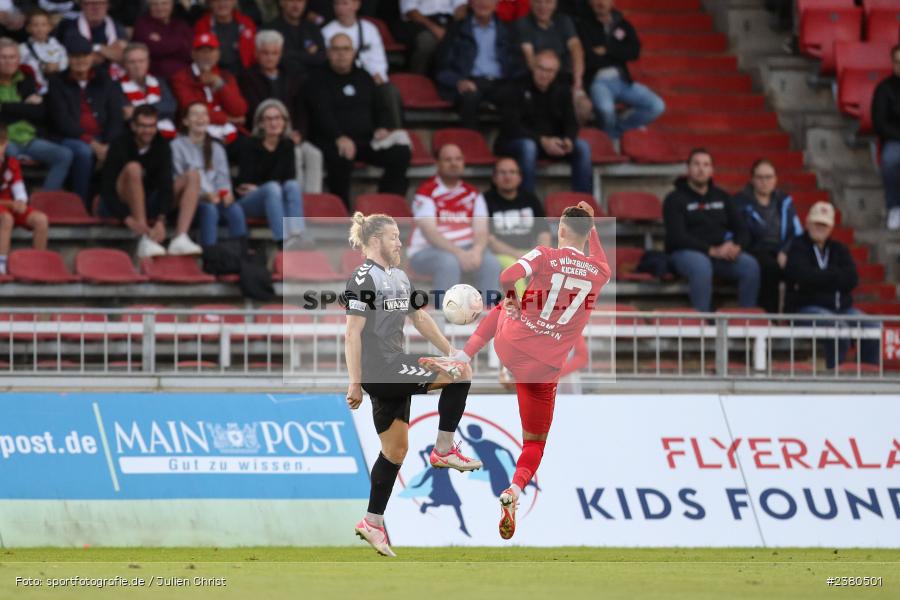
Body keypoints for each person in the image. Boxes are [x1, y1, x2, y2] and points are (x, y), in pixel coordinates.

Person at [453, 201, 610, 539]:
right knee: (534, 443)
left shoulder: (545, 254)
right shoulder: (601, 271)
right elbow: (598, 256)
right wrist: (592, 225)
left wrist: (511, 298)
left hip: (513, 345)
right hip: (546, 368)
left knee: (503, 306)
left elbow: (507, 275)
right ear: (588, 233)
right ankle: (514, 489)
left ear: (561, 230)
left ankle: (462, 357)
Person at [344, 211, 482, 558]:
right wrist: (355, 382)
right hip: (382, 369)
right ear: (376, 241)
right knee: (461, 376)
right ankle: (444, 449)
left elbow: (419, 317)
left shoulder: (400, 277)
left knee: (395, 451)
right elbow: (352, 333)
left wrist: (451, 351)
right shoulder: (363, 278)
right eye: (394, 237)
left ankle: (372, 522)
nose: (399, 242)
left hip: (394, 367)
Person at [307, 33, 411, 207]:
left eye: (346, 49)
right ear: (328, 52)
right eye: (336, 49)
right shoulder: (317, 79)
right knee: (341, 157)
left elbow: (378, 106)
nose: (341, 54)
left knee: (400, 152)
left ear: (354, 52)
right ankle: (341, 209)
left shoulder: (364, 77)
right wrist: (339, 136)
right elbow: (321, 114)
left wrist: (382, 127)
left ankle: (387, 204)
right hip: (332, 140)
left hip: (365, 140)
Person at [663, 148, 760, 312]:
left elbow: (742, 228)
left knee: (750, 265)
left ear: (711, 170)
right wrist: (711, 250)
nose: (701, 169)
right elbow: (677, 236)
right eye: (697, 164)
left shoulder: (722, 196)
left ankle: (746, 321)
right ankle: (703, 325)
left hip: (720, 254)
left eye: (706, 165)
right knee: (701, 265)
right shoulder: (674, 199)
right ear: (688, 168)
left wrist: (737, 246)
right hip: (686, 253)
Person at [784, 201, 879, 369]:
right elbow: (802, 276)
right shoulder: (797, 247)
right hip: (806, 308)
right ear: (807, 223)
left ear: (831, 227)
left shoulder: (839, 249)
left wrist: (820, 278)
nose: (820, 228)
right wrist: (834, 277)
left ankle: (867, 375)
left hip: (841, 309)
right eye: (817, 223)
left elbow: (852, 279)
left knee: (873, 327)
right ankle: (836, 378)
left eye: (824, 225)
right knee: (837, 328)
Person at [100, 105, 203, 258]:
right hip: (121, 202)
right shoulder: (119, 144)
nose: (147, 131)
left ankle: (181, 238)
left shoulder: (162, 145)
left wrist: (161, 219)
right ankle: (144, 238)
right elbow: (106, 188)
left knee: (193, 175)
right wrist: (126, 217)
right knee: (134, 168)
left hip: (150, 200)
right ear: (133, 126)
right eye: (143, 126)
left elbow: (166, 184)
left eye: (152, 126)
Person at [408, 143, 502, 300]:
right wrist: (459, 253)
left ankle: (488, 318)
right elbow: (430, 233)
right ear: (437, 163)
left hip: (466, 250)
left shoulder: (473, 193)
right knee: (449, 262)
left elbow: (481, 231)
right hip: (426, 252)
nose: (454, 163)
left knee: (491, 262)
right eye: (448, 159)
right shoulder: (426, 192)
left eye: (458, 159)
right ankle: (444, 319)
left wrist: (477, 251)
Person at [495, 49, 591, 194]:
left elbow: (571, 122)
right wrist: (542, 141)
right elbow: (511, 126)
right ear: (533, 66)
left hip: (551, 143)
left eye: (550, 71)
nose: (545, 74)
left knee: (582, 147)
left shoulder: (562, 89)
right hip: (517, 142)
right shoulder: (516, 86)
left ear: (556, 72)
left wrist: (568, 140)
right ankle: (527, 201)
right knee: (529, 147)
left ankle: (583, 206)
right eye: (541, 68)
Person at [238, 29, 323, 193]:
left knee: (314, 154)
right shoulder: (247, 77)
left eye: (274, 53)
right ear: (256, 53)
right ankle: (294, 203)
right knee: (294, 153)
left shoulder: (291, 75)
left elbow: (301, 108)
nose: (270, 57)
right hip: (267, 134)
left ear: (281, 53)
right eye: (265, 53)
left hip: (293, 132)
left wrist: (300, 133)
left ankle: (311, 204)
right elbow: (255, 112)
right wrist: (282, 132)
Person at [46, 34, 125, 207]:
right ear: (68, 58)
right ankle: (80, 203)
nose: (80, 61)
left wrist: (107, 145)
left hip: (103, 138)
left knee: (121, 151)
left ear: (92, 57)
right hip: (70, 138)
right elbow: (62, 121)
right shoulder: (57, 82)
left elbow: (115, 116)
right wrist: (93, 144)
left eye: (84, 56)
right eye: (75, 57)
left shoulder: (105, 80)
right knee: (83, 152)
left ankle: (111, 207)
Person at [577, 0, 664, 140]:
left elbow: (634, 52)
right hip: (598, 81)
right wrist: (618, 53)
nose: (600, 2)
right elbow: (590, 58)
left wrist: (607, 50)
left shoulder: (623, 25)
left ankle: (612, 134)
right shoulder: (583, 25)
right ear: (590, 2)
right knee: (606, 110)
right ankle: (608, 138)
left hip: (623, 80)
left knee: (656, 106)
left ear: (612, 2)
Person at [434, 0, 526, 130]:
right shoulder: (456, 29)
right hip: (470, 82)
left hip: (500, 82)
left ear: (497, 4)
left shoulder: (508, 31)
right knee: (469, 98)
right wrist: (459, 81)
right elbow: (442, 68)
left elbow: (518, 66)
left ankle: (508, 145)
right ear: (470, 3)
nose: (483, 3)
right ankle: (471, 145)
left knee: (515, 96)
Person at [235, 99, 312, 246]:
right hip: (252, 201)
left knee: (293, 185)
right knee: (272, 188)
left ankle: (297, 235)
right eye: (268, 119)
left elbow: (288, 179)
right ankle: (282, 240)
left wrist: (266, 187)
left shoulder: (288, 146)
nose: (273, 123)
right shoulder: (249, 145)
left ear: (284, 122)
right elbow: (244, 183)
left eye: (278, 118)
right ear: (260, 123)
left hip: (276, 198)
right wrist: (266, 188)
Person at [171, 101, 248, 248]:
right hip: (188, 204)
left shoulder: (217, 147)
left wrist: (226, 193)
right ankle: (209, 256)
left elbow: (223, 179)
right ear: (185, 121)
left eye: (204, 114)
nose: (200, 118)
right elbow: (177, 181)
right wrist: (204, 196)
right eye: (195, 114)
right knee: (209, 209)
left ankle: (242, 254)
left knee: (235, 209)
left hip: (215, 199)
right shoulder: (176, 146)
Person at [0, 37, 72, 191]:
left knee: (64, 155)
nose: (8, 61)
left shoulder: (26, 79)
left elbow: (39, 112)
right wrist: (24, 107)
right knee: (9, 155)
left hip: (29, 138)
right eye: (3, 57)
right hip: (5, 140)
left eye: (12, 57)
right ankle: (14, 201)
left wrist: (5, 107)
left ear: (19, 60)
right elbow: (28, 111)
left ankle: (43, 200)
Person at [733, 159, 802, 313]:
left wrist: (785, 251)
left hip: (781, 250)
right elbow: (740, 233)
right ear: (752, 179)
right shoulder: (740, 203)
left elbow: (796, 232)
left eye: (769, 177)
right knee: (770, 268)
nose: (764, 182)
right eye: (760, 177)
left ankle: (792, 316)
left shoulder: (785, 202)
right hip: (754, 249)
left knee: (798, 266)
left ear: (775, 179)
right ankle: (769, 318)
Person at [322, 0, 404, 129]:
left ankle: (395, 134)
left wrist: (378, 76)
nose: (340, 8)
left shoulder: (370, 29)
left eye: (344, 3)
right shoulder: (326, 32)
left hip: (369, 80)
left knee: (389, 91)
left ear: (356, 5)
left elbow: (379, 61)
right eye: (336, 4)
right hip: (340, 81)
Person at [484, 156, 551, 296]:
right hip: (500, 255)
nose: (507, 176)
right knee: (514, 266)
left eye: (512, 172)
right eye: (502, 173)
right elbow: (489, 239)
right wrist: (518, 255)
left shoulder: (530, 199)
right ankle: (521, 308)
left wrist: (542, 254)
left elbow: (543, 231)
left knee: (548, 266)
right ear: (494, 178)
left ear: (520, 177)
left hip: (529, 252)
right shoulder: (485, 201)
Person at [170, 32, 247, 144]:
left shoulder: (226, 76)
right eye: (202, 51)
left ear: (218, 54)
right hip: (195, 133)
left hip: (229, 132)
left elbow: (239, 110)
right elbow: (192, 110)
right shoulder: (181, 78)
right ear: (193, 54)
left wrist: (219, 84)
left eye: (211, 50)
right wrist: (229, 119)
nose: (207, 55)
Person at [0, 123, 49, 275]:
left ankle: (38, 263)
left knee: (41, 219)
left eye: (1, 143)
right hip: (5, 207)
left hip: (10, 205)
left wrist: (21, 202)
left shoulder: (11, 162)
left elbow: (18, 187)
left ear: (6, 143)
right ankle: (2, 263)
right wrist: (10, 204)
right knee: (6, 219)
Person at [516, 0, 583, 92]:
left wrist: (578, 81)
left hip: (565, 76)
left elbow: (576, 49)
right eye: (538, 2)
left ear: (555, 4)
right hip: (537, 79)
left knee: (584, 104)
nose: (542, 6)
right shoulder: (523, 23)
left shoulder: (564, 21)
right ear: (531, 3)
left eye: (548, 2)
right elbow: (530, 58)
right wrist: (546, 77)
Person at [118, 42, 178, 138]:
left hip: (167, 135)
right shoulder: (116, 87)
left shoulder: (159, 82)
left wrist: (137, 110)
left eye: (141, 61)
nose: (137, 66)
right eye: (132, 62)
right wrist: (157, 110)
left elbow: (170, 107)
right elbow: (126, 116)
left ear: (148, 62)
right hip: (135, 138)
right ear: (125, 64)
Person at [395, 0, 468, 74]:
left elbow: (461, 5)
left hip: (449, 19)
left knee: (465, 38)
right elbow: (410, 10)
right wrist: (435, 29)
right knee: (427, 41)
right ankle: (418, 78)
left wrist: (457, 25)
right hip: (420, 21)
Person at [872, 43, 900, 231]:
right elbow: (880, 124)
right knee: (890, 160)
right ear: (893, 63)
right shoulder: (884, 89)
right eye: (898, 62)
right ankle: (895, 207)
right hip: (895, 140)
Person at [56, 0, 127, 73]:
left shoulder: (117, 27)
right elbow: (78, 57)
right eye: (90, 3)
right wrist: (104, 50)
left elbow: (120, 56)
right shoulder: (68, 27)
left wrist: (96, 49)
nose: (96, 7)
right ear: (82, 5)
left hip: (112, 76)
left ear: (107, 6)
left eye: (101, 3)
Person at [132, 0, 193, 81]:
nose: (160, 8)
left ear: (172, 5)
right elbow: (154, 49)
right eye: (154, 4)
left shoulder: (181, 25)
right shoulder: (142, 24)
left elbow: (191, 52)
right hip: (155, 79)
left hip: (184, 78)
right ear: (149, 6)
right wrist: (180, 43)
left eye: (164, 3)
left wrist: (163, 42)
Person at [265, 0, 326, 81]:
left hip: (313, 83)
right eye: (291, 1)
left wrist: (290, 53)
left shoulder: (312, 28)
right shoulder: (270, 30)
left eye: (300, 1)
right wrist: (309, 56)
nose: (296, 5)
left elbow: (322, 57)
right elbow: (281, 61)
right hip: (284, 84)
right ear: (281, 2)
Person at [194, 0, 257, 76]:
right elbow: (200, 57)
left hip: (247, 76)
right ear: (209, 3)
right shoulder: (202, 26)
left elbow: (255, 55)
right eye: (216, 1)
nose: (222, 3)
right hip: (216, 78)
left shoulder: (247, 23)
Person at [18, 8, 67, 95]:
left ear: (50, 27)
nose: (40, 28)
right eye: (35, 25)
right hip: (34, 91)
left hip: (57, 90)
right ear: (28, 28)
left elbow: (66, 64)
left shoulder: (59, 47)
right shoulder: (21, 49)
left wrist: (57, 67)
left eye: (44, 25)